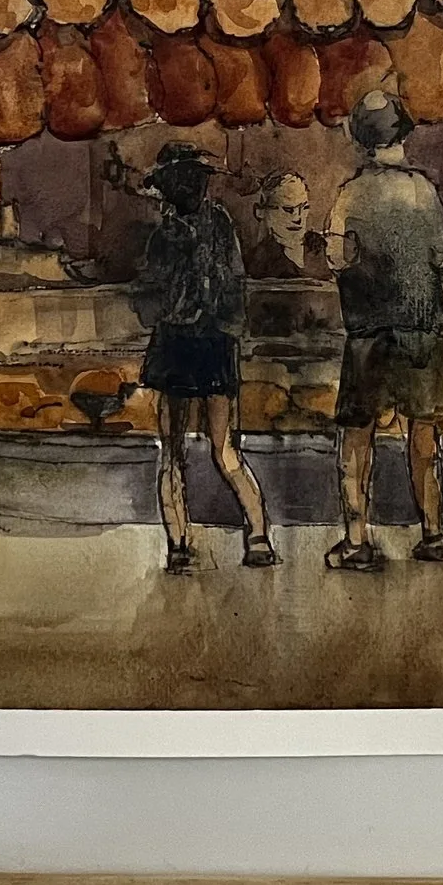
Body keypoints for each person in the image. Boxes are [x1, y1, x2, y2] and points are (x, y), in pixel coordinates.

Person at [323, 91, 443, 570]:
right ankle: (433, 533)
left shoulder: (350, 194)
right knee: (423, 438)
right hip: (422, 330)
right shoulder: (425, 192)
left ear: (361, 140)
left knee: (358, 439)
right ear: (403, 135)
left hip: (370, 333)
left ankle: (357, 541)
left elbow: (336, 258)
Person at [133, 144, 278, 574]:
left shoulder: (163, 238)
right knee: (225, 450)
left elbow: (148, 303)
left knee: (172, 452)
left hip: (175, 346)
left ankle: (179, 544)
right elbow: (236, 286)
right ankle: (258, 536)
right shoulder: (222, 225)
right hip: (216, 345)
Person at [244, 170, 331, 279]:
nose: (297, 218)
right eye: (288, 209)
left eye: (304, 208)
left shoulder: (317, 247)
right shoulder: (259, 261)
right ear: (260, 212)